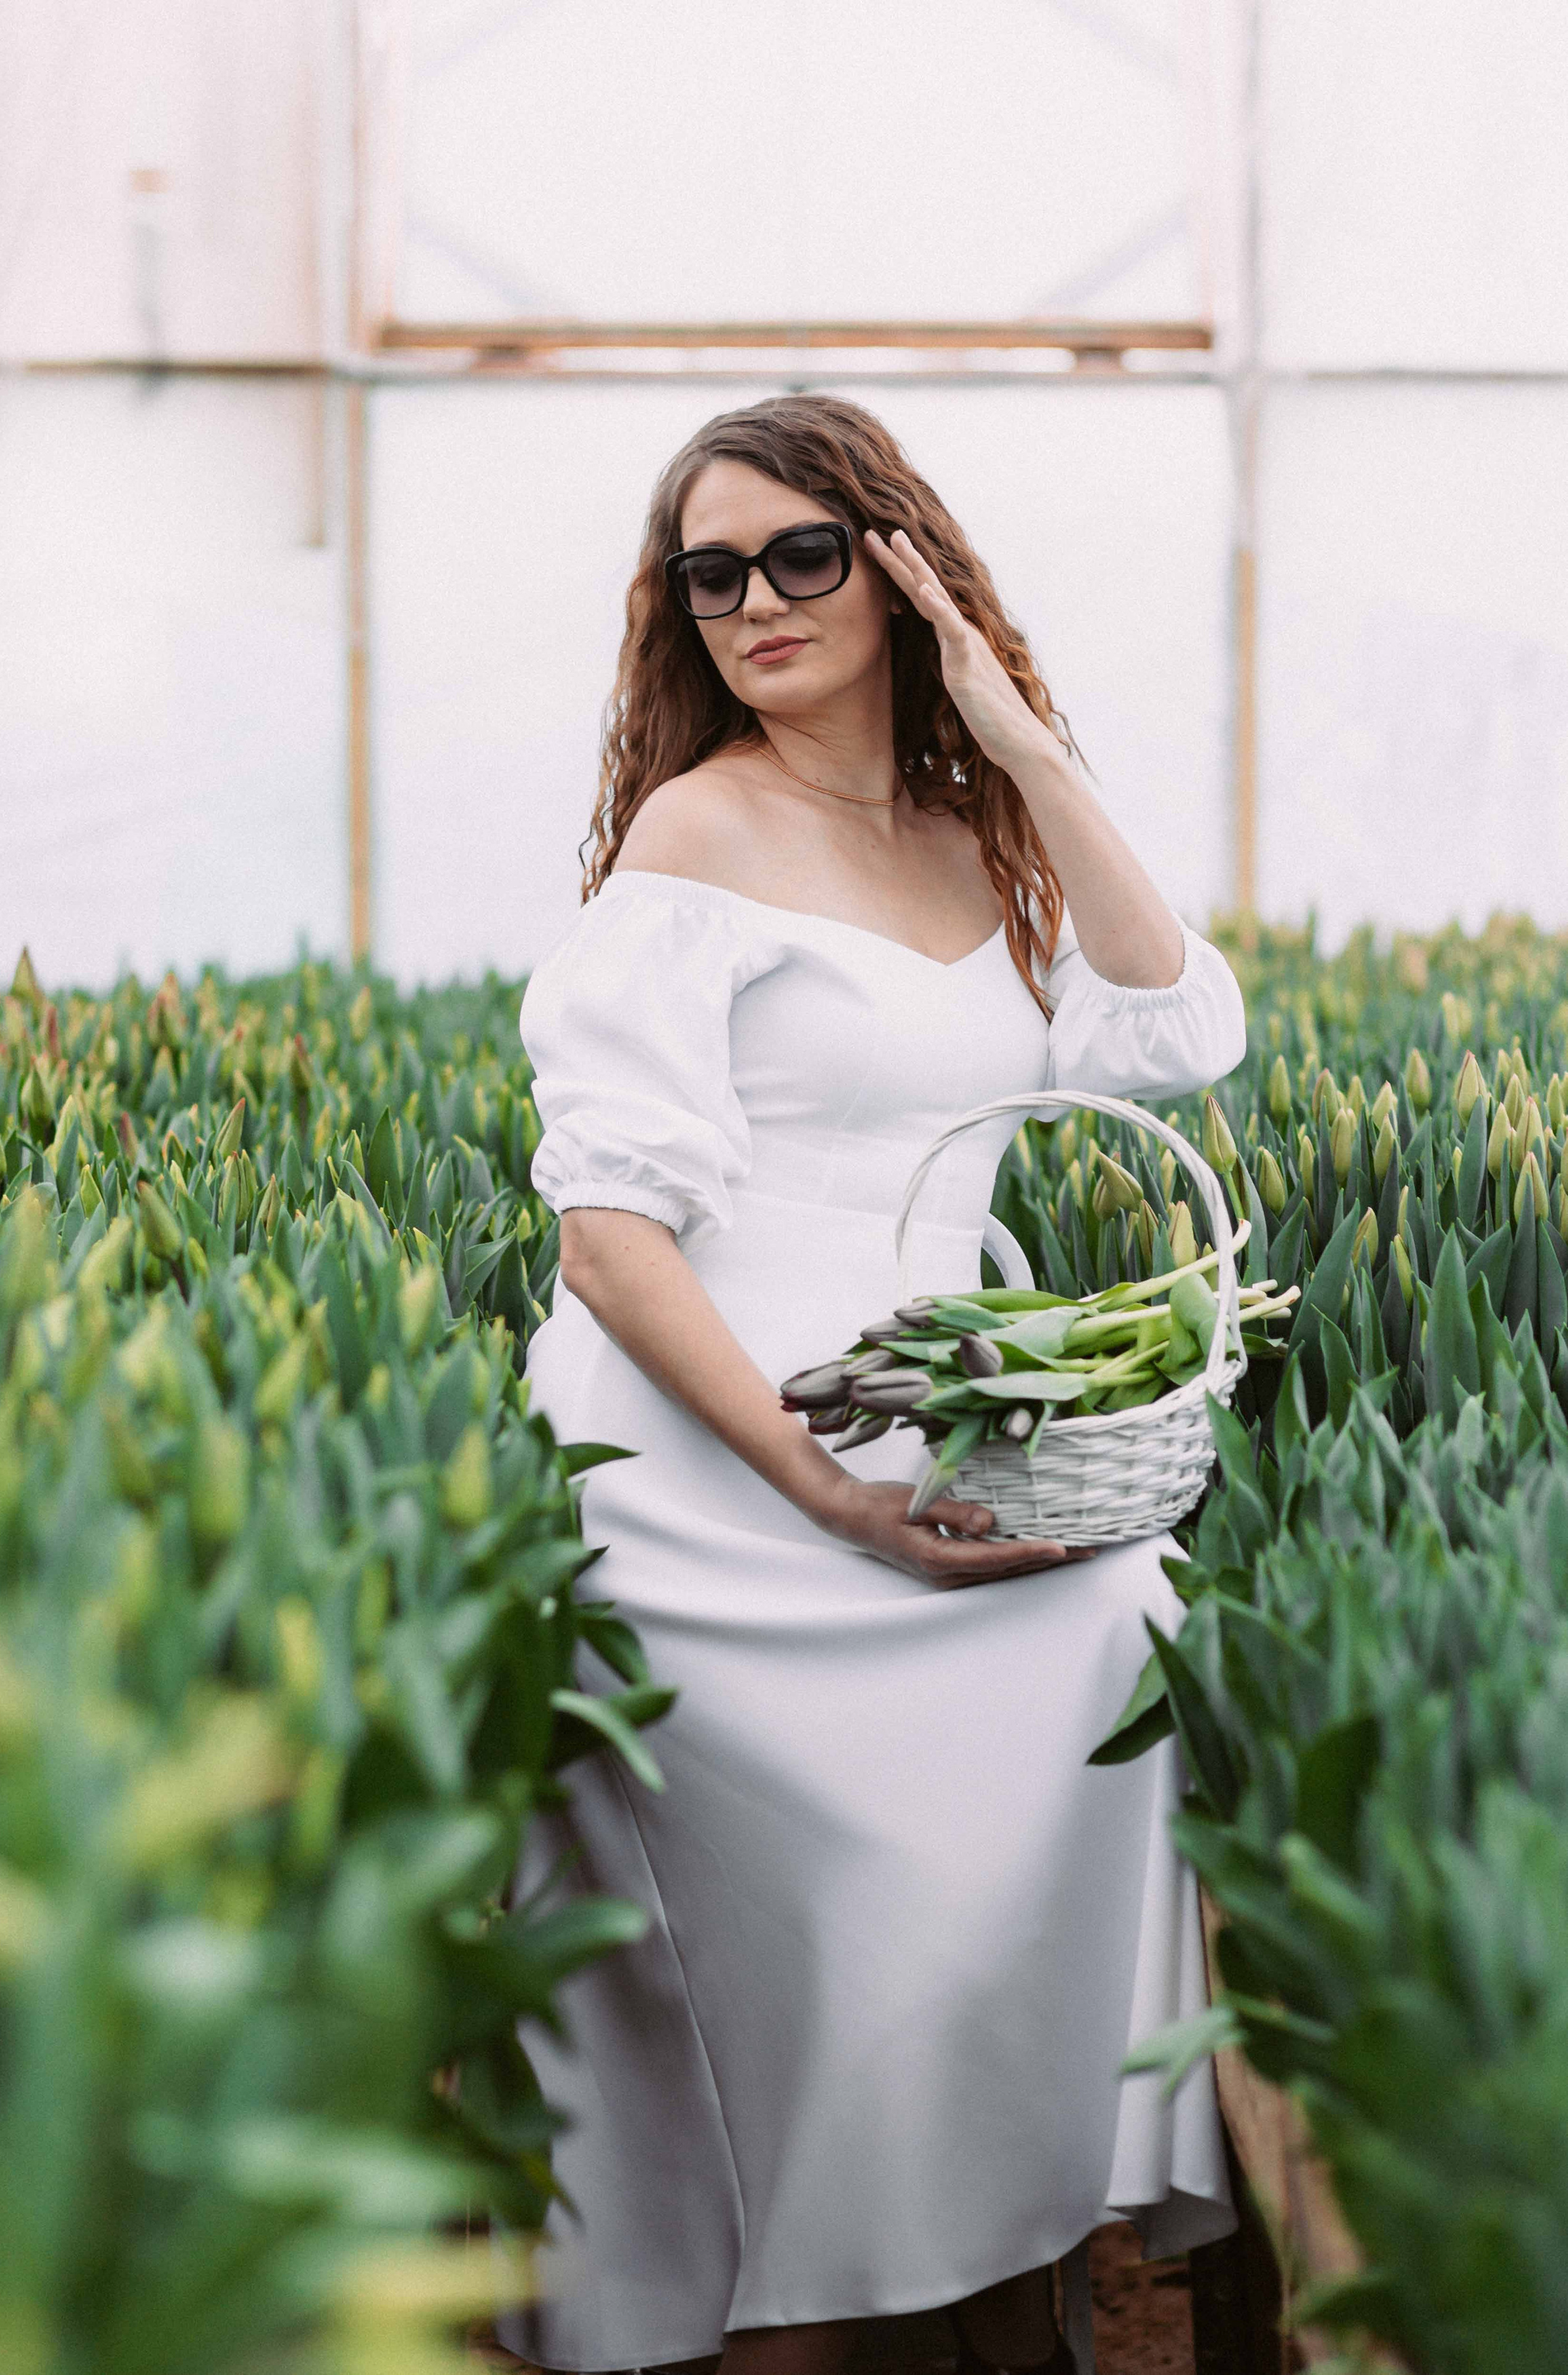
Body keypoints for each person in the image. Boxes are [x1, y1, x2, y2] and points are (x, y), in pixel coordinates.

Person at [500, 394, 1244, 2375]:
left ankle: (998, 2270)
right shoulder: (700, 827)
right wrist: (824, 1497)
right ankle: (812, 2304)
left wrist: (1018, 741)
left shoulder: (973, 831)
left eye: (803, 555)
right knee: (834, 1928)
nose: (755, 601)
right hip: (715, 1456)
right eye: (712, 573)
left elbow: (1174, 1031)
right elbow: (608, 1233)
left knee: (1116, 1633)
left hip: (936, 1420)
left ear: (899, 563)